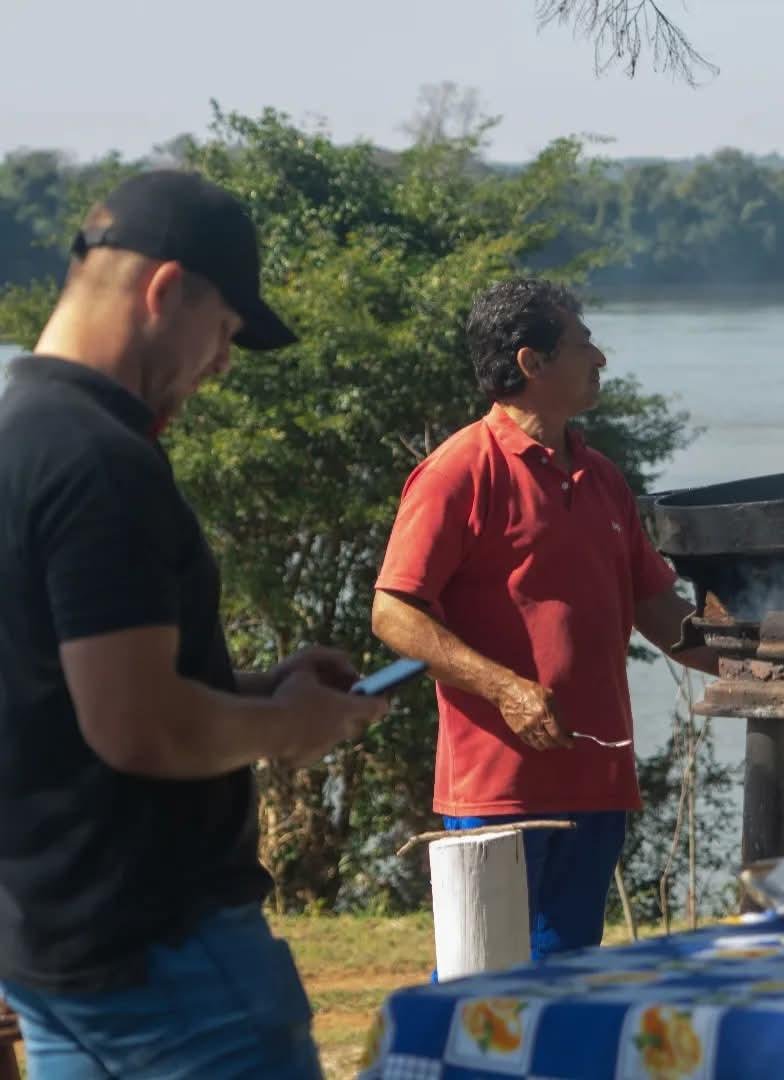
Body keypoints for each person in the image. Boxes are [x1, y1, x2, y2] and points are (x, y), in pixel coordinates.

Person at [0, 169, 388, 1078]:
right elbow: (141, 726)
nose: (221, 365)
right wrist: (289, 727)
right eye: (223, 331)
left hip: (56, 961)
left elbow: (52, 691)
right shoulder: (101, 462)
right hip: (171, 970)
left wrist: (256, 687)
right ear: (165, 290)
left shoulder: (19, 434)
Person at [372, 278, 716, 962]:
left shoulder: (601, 477)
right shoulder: (459, 471)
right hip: (498, 793)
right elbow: (394, 612)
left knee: (564, 985)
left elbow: (656, 607)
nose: (600, 358)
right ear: (531, 362)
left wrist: (757, 661)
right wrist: (507, 689)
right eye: (583, 344)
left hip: (596, 785)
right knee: (484, 986)